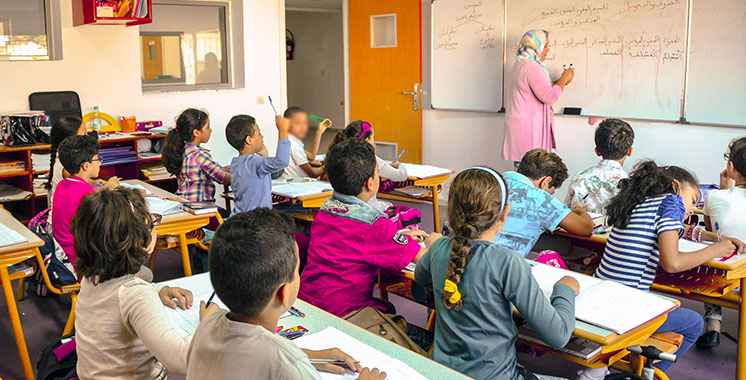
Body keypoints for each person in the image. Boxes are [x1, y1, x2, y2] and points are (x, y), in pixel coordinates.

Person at [584, 161, 746, 379]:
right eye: (692, 200)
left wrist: (716, 237)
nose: (689, 211)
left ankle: (615, 368)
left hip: (599, 295)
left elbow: (681, 230)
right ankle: (646, 375)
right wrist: (716, 249)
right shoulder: (671, 202)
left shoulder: (639, 201)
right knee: (694, 323)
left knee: (668, 306)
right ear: (677, 187)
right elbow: (673, 264)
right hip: (623, 306)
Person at [415, 167, 578, 380]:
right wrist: (565, 289)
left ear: (452, 212)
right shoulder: (508, 262)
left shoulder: (439, 249)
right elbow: (559, 335)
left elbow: (420, 279)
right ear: (504, 213)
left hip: (442, 373)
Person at [186, 209, 386, 380]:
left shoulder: (207, 325)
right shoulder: (287, 365)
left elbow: (250, 356)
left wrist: (308, 356)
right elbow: (275, 360)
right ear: (283, 292)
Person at [73, 188, 211, 379]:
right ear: (141, 240)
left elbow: (118, 302)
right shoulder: (135, 294)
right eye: (152, 222)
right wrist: (207, 326)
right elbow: (181, 360)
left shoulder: (93, 278)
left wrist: (158, 290)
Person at [299, 139, 441, 317]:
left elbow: (356, 240)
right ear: (370, 183)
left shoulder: (326, 210)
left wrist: (400, 235)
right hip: (343, 315)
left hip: (307, 305)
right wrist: (435, 242)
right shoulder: (374, 225)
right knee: (388, 311)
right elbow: (424, 259)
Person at [493, 149, 594, 257]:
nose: (550, 196)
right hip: (504, 264)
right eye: (551, 192)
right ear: (546, 181)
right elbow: (585, 228)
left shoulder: (491, 182)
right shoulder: (540, 198)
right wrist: (579, 209)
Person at [697, 136, 746, 349]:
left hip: (724, 271)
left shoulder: (715, 196)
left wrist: (725, 190)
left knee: (714, 254)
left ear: (732, 167)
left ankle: (713, 327)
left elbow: (711, 230)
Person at [503, 29, 575, 166]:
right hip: (529, 130)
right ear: (536, 46)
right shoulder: (532, 67)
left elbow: (541, 89)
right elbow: (549, 96)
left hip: (521, 128)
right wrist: (565, 78)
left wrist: (561, 82)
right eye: (546, 45)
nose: (548, 49)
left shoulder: (521, 64)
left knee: (523, 171)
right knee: (532, 172)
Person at [52, 135, 119, 270]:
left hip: (61, 257)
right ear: (86, 166)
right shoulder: (87, 193)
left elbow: (83, 194)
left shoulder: (62, 185)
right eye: (97, 159)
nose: (100, 162)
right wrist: (111, 187)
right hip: (81, 263)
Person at [326, 120, 408, 212]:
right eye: (373, 137)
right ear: (367, 140)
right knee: (389, 205)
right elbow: (401, 175)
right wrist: (401, 164)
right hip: (370, 210)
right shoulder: (373, 160)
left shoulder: (338, 156)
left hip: (343, 210)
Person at [564, 119, 635, 215]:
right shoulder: (632, 184)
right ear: (630, 151)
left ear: (597, 151)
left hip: (581, 229)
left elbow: (567, 212)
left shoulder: (579, 178)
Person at [162, 108, 231, 205]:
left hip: (184, 205)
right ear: (196, 132)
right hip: (200, 208)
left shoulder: (182, 150)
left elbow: (199, 171)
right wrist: (245, 173)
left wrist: (222, 169)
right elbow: (225, 179)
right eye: (207, 127)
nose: (211, 131)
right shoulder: (200, 155)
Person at [226, 114, 290, 215]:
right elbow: (282, 161)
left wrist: (264, 155)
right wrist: (283, 130)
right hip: (255, 223)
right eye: (259, 134)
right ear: (249, 140)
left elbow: (257, 179)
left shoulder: (236, 162)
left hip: (240, 218)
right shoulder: (254, 162)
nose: (262, 136)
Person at [46, 116, 88, 209]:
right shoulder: (65, 166)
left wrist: (96, 182)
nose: (87, 138)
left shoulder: (66, 159)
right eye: (84, 134)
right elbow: (84, 189)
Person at [282, 106, 330, 179]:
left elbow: (311, 156)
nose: (303, 127)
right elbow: (313, 173)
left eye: (304, 122)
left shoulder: (288, 140)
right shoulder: (293, 144)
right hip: (299, 185)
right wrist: (328, 165)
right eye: (297, 123)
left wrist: (319, 132)